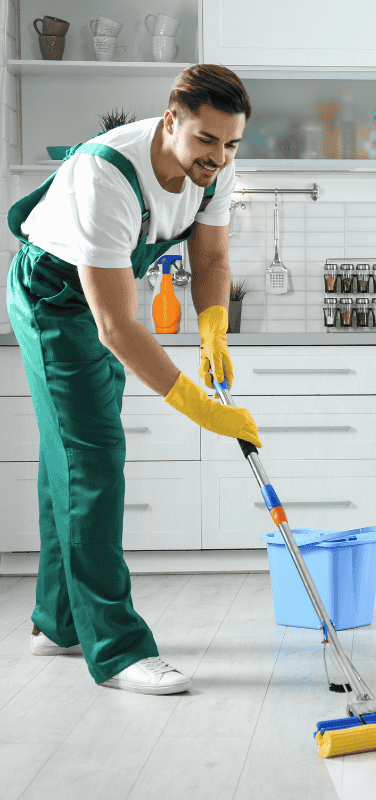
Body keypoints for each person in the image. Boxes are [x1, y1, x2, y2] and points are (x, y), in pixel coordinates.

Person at [6, 65, 261, 695]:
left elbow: (212, 255)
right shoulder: (107, 174)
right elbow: (117, 325)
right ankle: (117, 650)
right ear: (171, 120)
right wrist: (197, 405)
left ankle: (57, 622)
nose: (219, 158)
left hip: (99, 298)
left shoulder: (215, 167)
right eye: (206, 141)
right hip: (53, 297)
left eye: (231, 145)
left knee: (68, 456)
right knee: (94, 460)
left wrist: (213, 328)